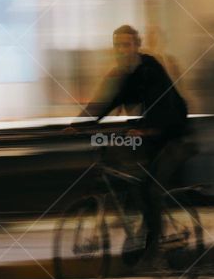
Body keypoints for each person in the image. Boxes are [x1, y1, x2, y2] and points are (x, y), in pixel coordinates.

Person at [75, 24, 193, 266]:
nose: (122, 50)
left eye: (127, 45)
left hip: (172, 135)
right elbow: (106, 102)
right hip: (147, 137)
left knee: (150, 188)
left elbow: (165, 104)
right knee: (130, 178)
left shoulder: (150, 68)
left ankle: (153, 249)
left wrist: (149, 127)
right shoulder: (122, 75)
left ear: (137, 46)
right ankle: (138, 237)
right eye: (118, 45)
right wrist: (78, 124)